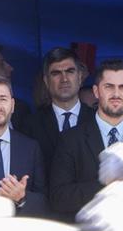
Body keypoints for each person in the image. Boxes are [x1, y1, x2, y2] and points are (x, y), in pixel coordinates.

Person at [49, 59, 123, 220]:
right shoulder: (70, 139)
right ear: (96, 91)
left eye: (122, 87)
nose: (116, 94)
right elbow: (58, 197)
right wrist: (108, 187)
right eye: (109, 87)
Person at [0, 75, 47, 214]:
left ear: (13, 105)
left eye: (3, 99)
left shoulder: (30, 148)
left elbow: (43, 201)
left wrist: (21, 197)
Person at [24, 47, 96, 176]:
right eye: (56, 73)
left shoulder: (98, 120)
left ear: (80, 77)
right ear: (46, 81)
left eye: (70, 71)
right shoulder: (31, 125)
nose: (64, 79)